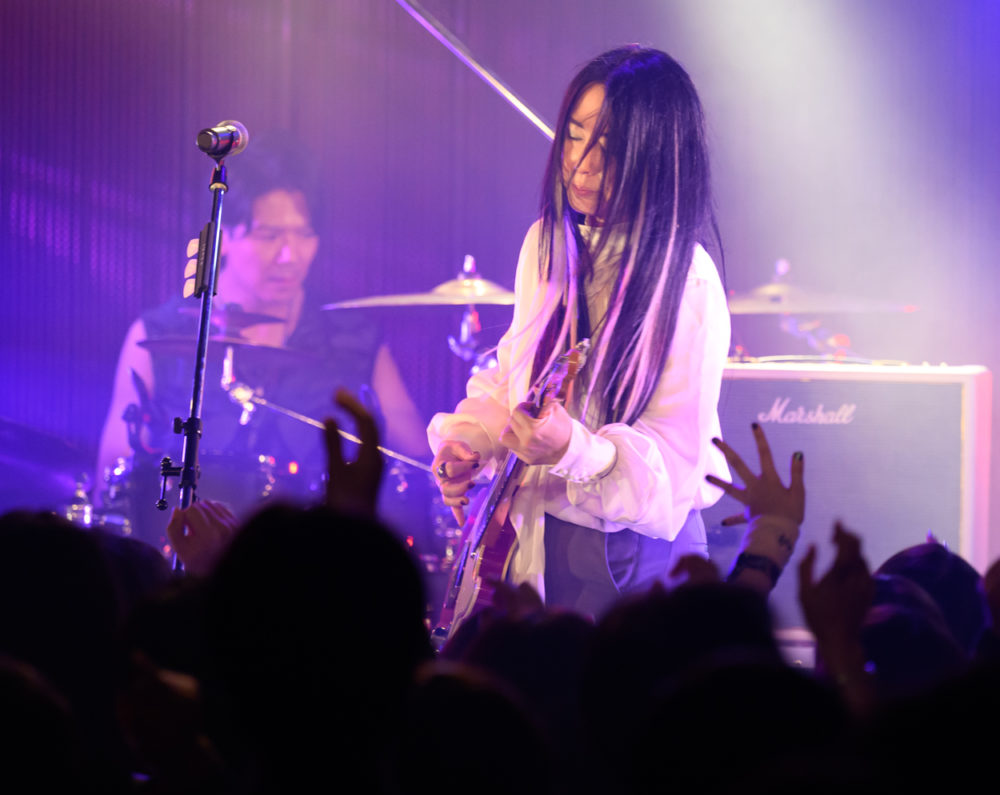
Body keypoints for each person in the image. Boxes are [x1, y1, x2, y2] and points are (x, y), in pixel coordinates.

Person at [428, 46, 731, 618]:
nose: (582, 164)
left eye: (608, 148)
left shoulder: (686, 277)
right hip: (544, 537)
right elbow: (518, 377)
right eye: (572, 137)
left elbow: (673, 465)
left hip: (634, 549)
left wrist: (572, 448)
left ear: (658, 157)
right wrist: (470, 442)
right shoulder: (546, 242)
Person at [96, 137, 427, 541]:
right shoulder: (158, 335)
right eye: (269, 236)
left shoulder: (353, 342)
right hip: (182, 561)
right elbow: (114, 480)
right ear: (224, 237)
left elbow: (418, 463)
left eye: (304, 234)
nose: (290, 256)